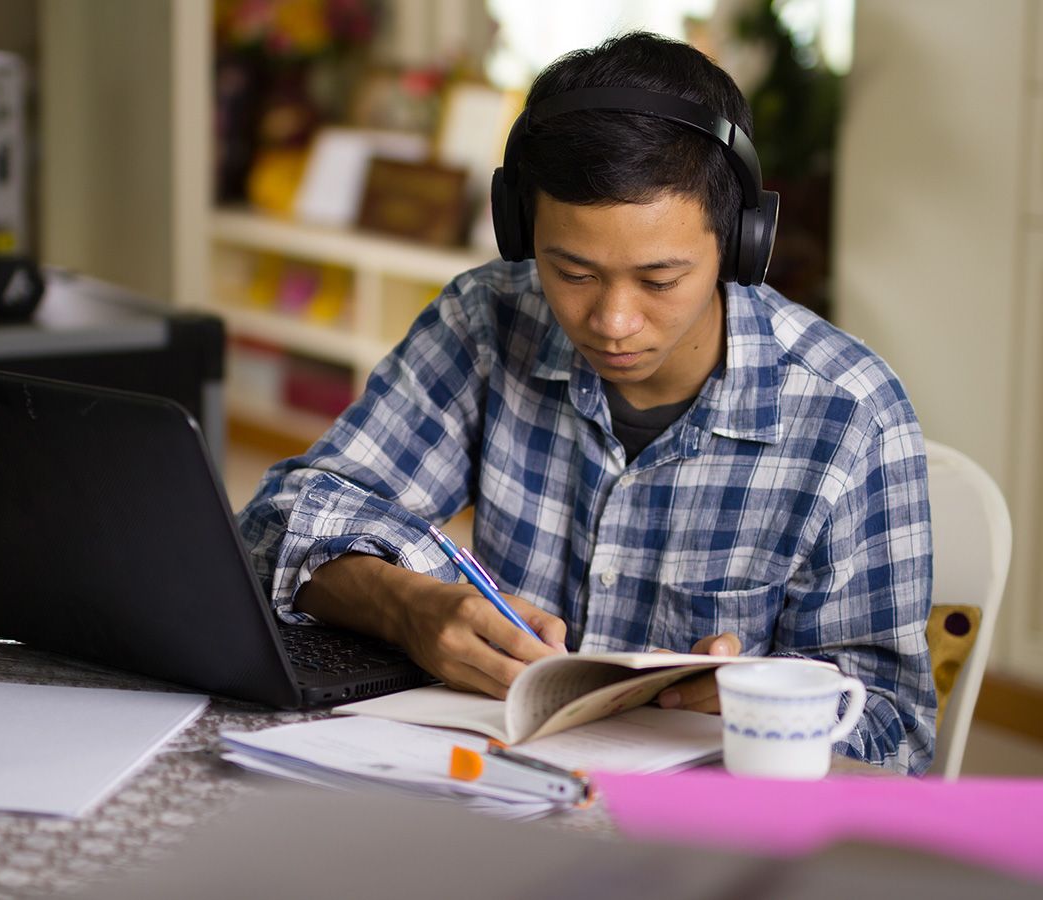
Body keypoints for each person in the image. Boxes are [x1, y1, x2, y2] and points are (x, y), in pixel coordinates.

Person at [238, 31, 936, 774]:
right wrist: (407, 607)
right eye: (571, 271)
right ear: (519, 228)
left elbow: (899, 731)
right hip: (494, 790)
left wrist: (769, 703)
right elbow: (280, 521)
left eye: (660, 280)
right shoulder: (487, 320)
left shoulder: (853, 416)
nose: (612, 321)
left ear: (740, 243)